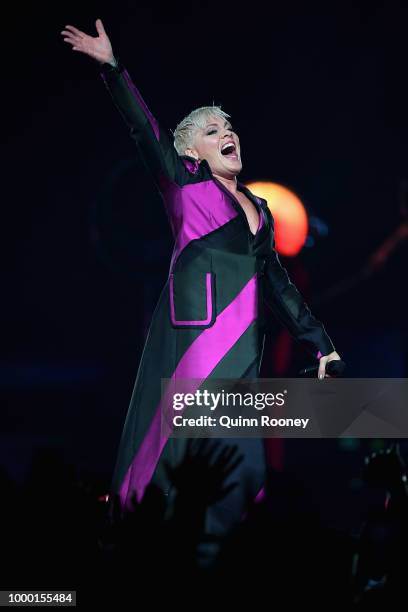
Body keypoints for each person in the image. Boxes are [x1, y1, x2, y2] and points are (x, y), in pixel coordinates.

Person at [61, 19, 341, 537]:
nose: (226, 133)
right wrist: (113, 68)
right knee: (179, 462)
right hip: (196, 347)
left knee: (243, 469)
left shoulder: (259, 207)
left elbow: (277, 283)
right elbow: (144, 131)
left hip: (242, 353)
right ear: (191, 153)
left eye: (228, 126)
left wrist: (319, 345)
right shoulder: (184, 186)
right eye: (211, 132)